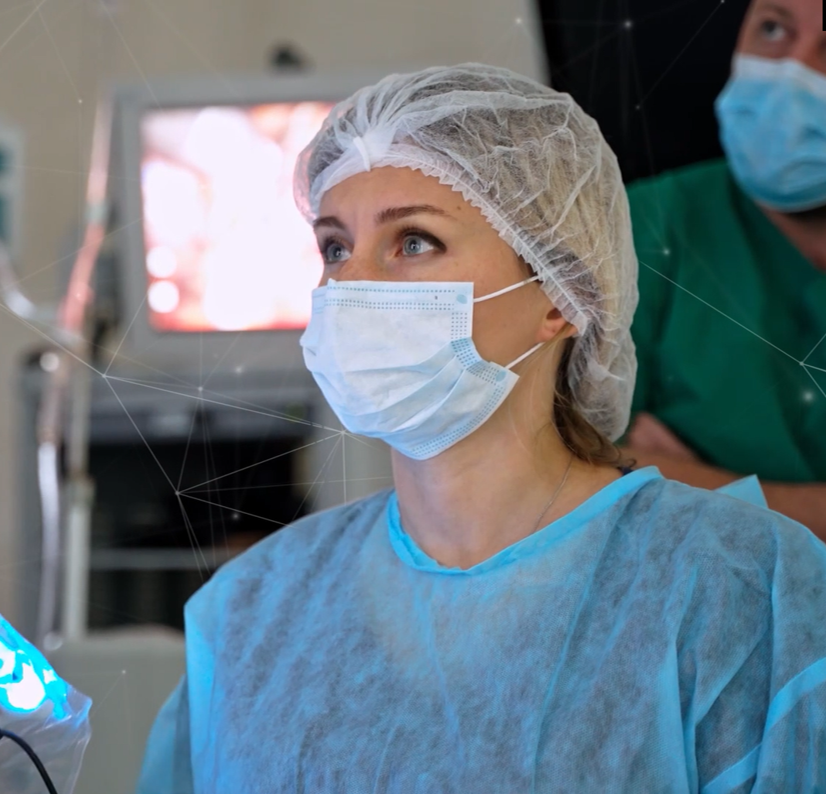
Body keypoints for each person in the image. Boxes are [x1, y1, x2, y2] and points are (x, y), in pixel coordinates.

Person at [136, 64, 826, 793]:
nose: (350, 286)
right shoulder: (253, 612)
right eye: (334, 247)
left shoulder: (739, 586)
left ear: (561, 294)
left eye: (412, 242)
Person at [622, 0, 826, 537]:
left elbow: (630, 486)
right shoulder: (644, 227)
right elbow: (569, 476)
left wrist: (701, 492)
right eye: (773, 28)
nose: (792, 68)